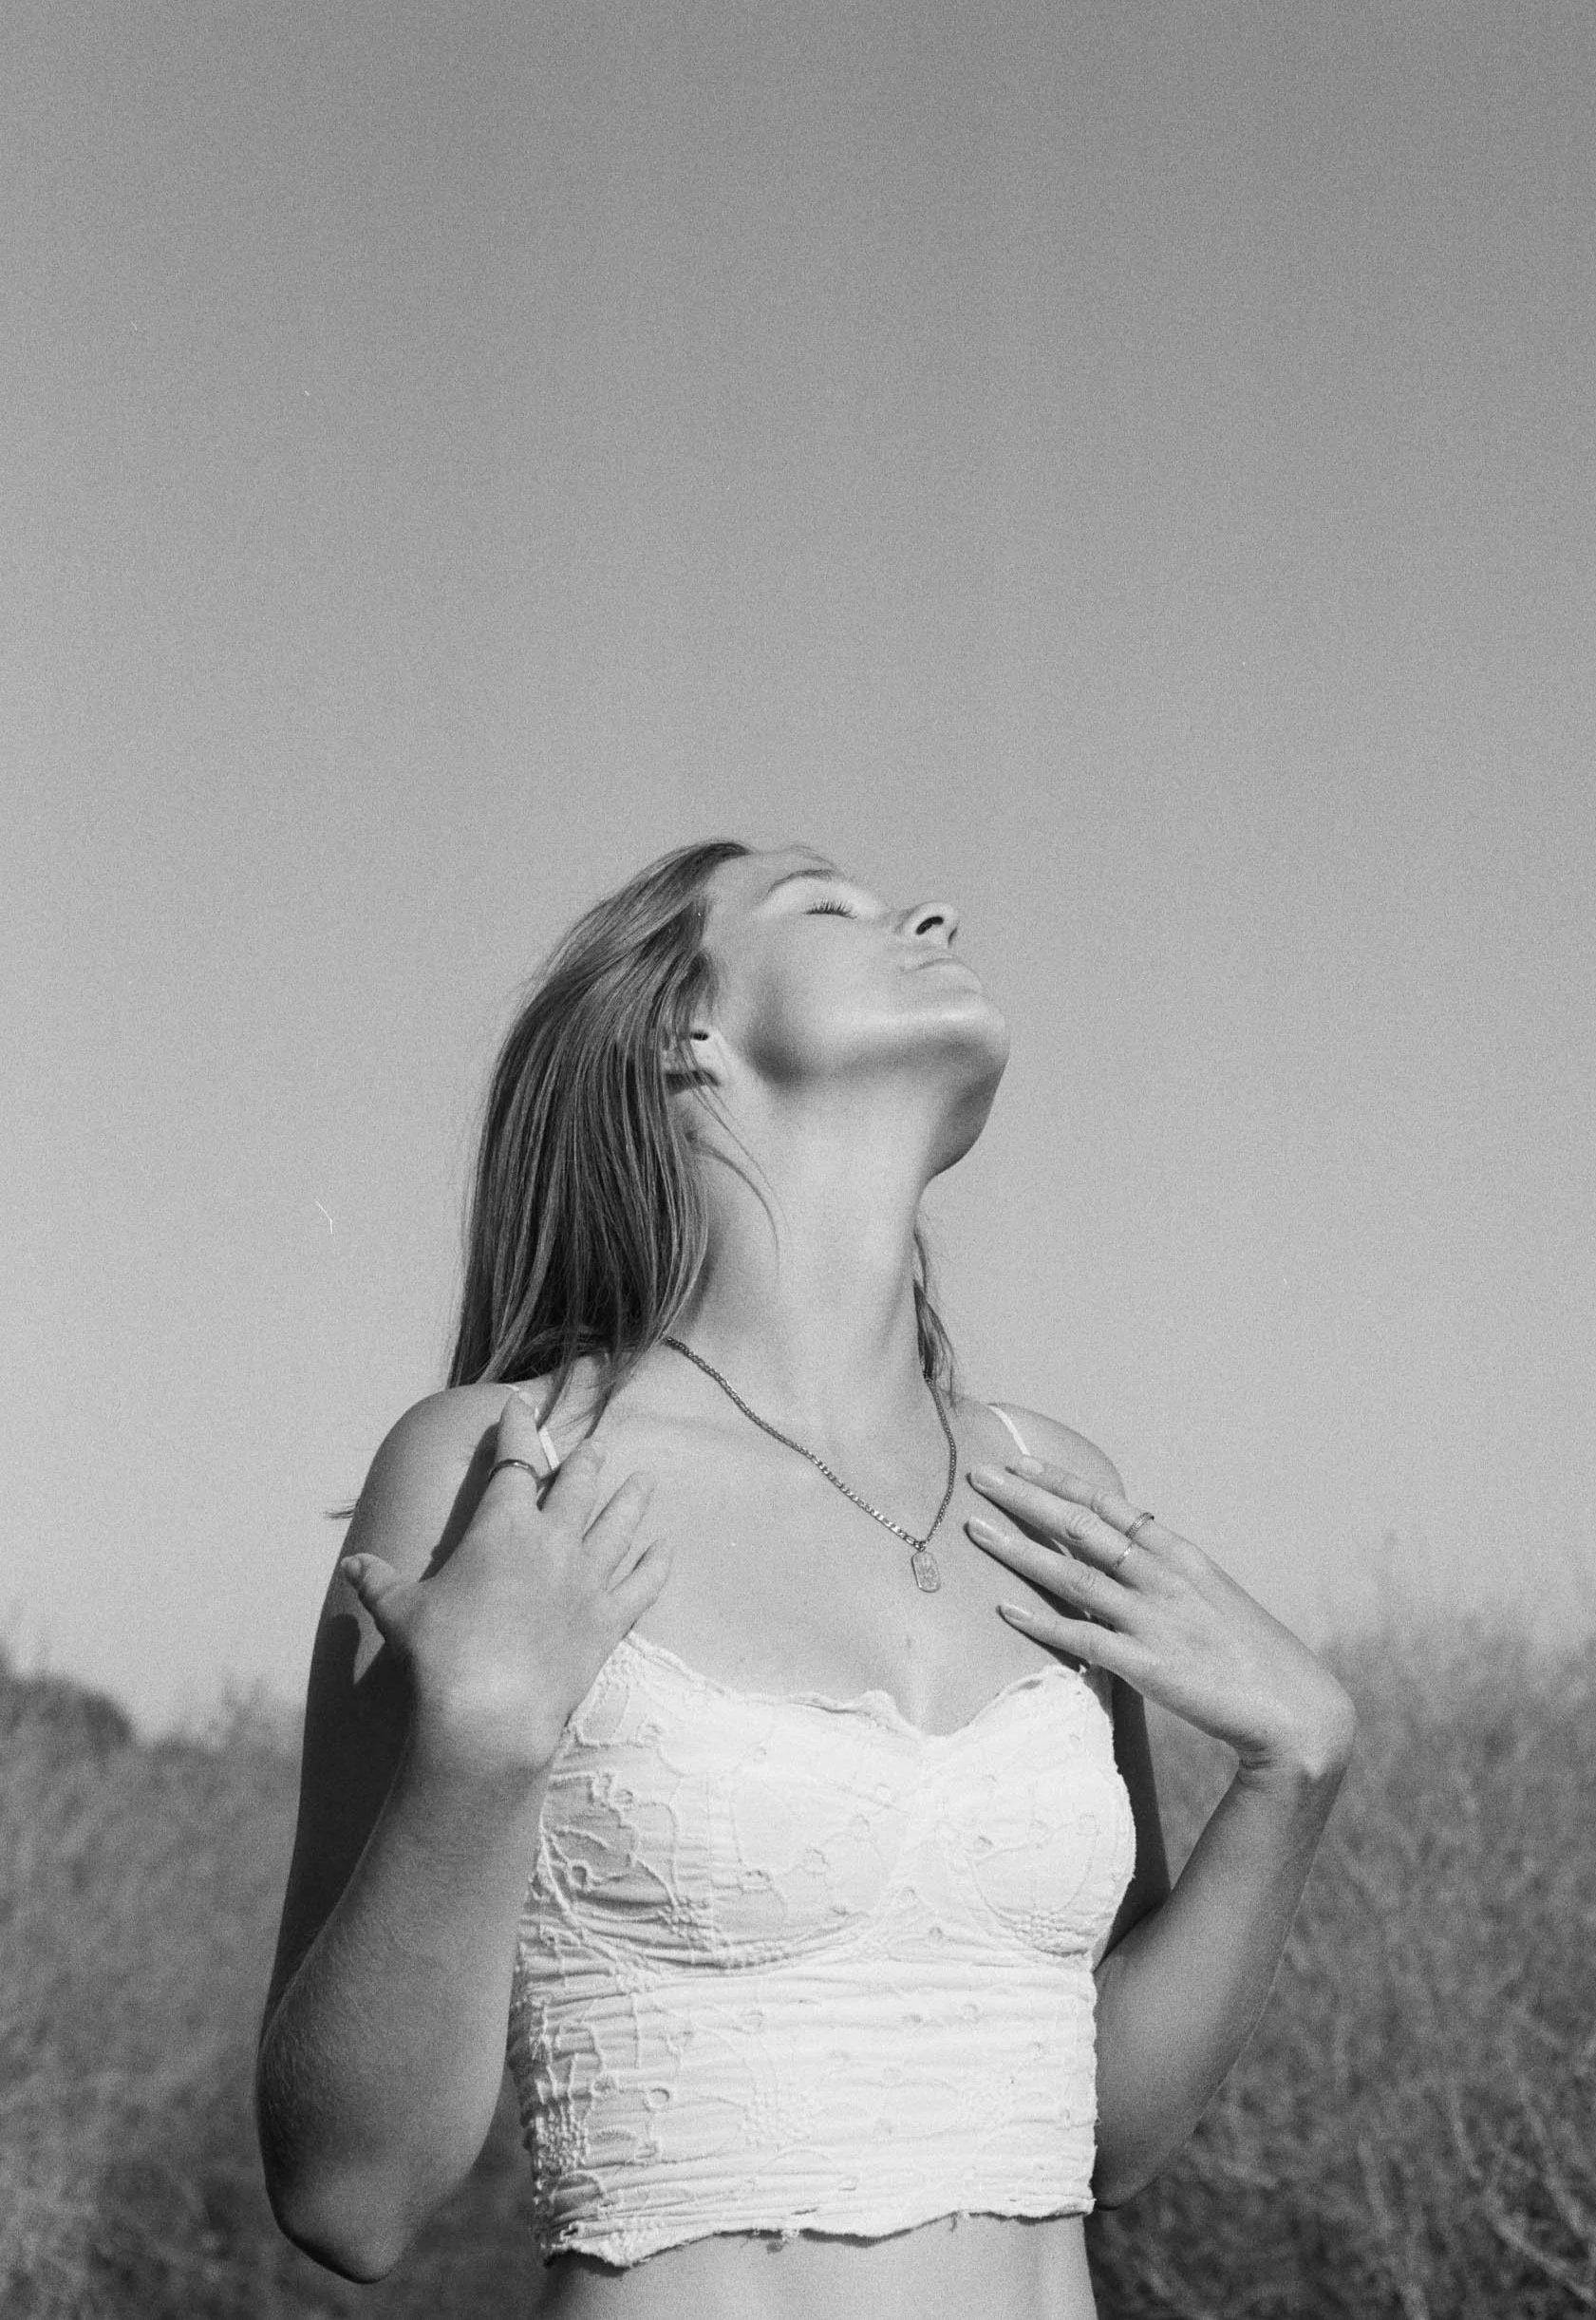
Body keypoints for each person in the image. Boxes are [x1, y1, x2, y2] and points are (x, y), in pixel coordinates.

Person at [256, 838, 1357, 2319]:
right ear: (678, 1032)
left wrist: (1293, 1777)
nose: (933, 911)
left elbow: (1102, 2137)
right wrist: (480, 1750)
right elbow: (349, 2199)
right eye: (825, 905)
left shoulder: (1048, 1484)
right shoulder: (504, 1469)